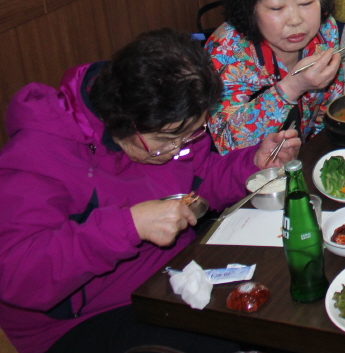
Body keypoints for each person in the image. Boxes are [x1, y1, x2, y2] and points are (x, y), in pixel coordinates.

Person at [0, 29, 300, 353]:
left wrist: (252, 164)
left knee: (280, 295)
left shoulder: (168, 122)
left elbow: (199, 181)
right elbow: (17, 275)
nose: (178, 148)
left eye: (190, 134)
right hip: (81, 320)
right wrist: (129, 226)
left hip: (170, 276)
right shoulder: (38, 156)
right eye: (167, 140)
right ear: (123, 121)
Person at [206, 0, 344, 153]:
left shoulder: (325, 30)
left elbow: (329, 110)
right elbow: (227, 143)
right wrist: (292, 87)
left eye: (306, 3)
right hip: (250, 169)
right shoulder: (226, 51)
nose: (295, 20)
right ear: (250, 8)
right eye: (276, 7)